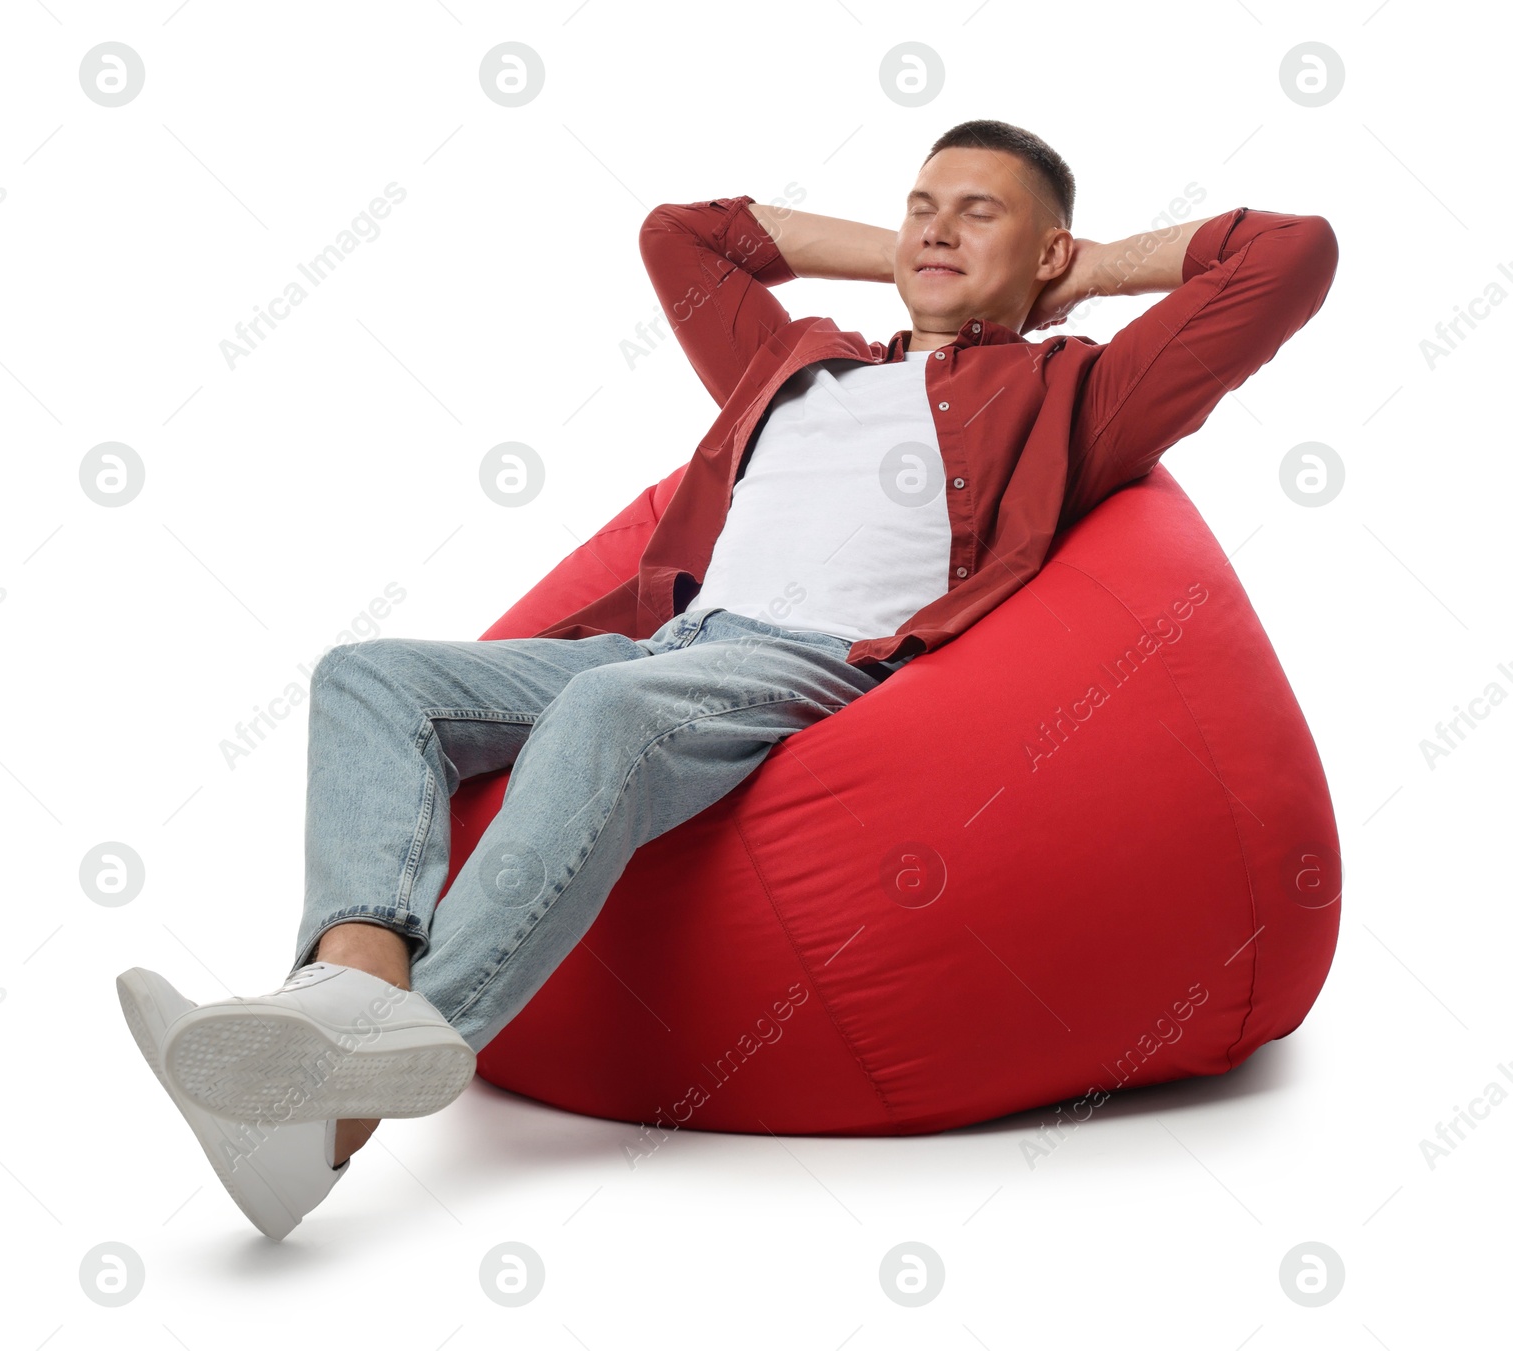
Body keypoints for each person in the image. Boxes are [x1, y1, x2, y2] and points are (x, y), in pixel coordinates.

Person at [118, 118, 1338, 1238]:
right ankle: (334, 1034)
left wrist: (1079, 273)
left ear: (1050, 250)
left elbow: (1289, 256)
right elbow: (683, 235)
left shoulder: (1073, 390)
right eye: (920, 205)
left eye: (978, 210)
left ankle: (407, 1033)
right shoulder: (797, 358)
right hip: (665, 646)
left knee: (605, 714)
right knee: (367, 678)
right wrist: (921, 259)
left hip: (815, 675)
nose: (934, 227)